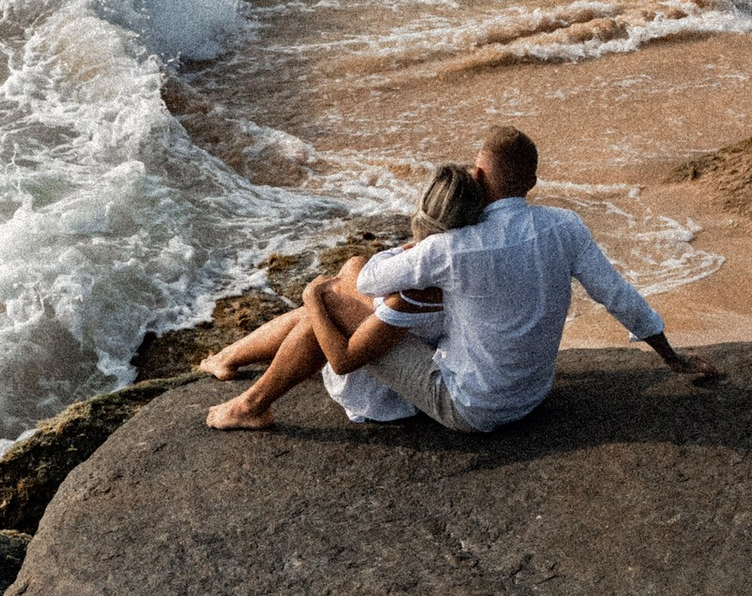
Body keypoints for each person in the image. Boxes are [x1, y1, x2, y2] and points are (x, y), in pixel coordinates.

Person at [205, 123, 719, 433]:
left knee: (334, 296)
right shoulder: (565, 226)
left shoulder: (452, 249)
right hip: (530, 394)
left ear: (477, 176)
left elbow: (368, 281)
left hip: (467, 407)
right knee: (343, 299)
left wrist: (381, 260)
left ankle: (250, 405)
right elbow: (618, 295)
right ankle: (230, 357)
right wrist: (672, 358)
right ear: (532, 182)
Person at [199, 164, 487, 421]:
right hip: (416, 350)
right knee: (340, 291)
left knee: (321, 312)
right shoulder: (474, 259)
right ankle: (228, 357)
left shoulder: (417, 289)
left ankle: (250, 405)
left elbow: (342, 360)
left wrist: (312, 297)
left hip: (389, 391)